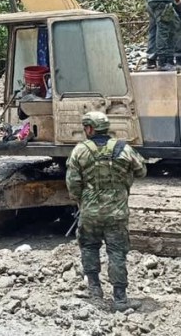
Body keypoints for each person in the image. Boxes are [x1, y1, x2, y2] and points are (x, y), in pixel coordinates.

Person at [65, 111, 147, 311]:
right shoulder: (122, 148)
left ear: (90, 129)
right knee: (117, 252)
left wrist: (82, 201)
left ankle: (95, 293)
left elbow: (73, 184)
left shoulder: (79, 151)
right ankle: (120, 299)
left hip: (90, 212)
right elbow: (142, 171)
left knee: (89, 248)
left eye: (86, 127)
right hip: (117, 213)